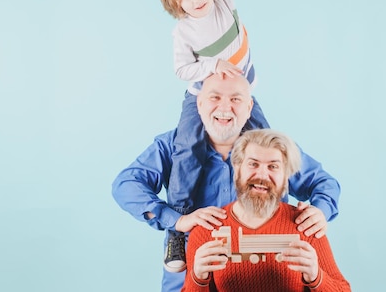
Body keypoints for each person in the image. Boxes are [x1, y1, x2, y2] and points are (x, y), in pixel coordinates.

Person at [112, 73, 341, 292]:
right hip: (195, 261)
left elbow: (324, 183)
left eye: (235, 99)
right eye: (215, 97)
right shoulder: (173, 146)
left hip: (266, 259)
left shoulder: (269, 152)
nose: (224, 107)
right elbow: (126, 185)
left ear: (249, 107)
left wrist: (319, 213)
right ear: (199, 104)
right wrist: (178, 220)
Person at [152, 0, 269, 272]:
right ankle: (179, 228)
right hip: (201, 96)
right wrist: (211, 64)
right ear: (176, 3)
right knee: (187, 147)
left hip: (239, 94)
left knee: (265, 141)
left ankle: (271, 212)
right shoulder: (182, 31)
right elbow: (182, 70)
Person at [181, 129, 350, 292]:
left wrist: (317, 277)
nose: (262, 175)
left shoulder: (307, 226)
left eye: (273, 166)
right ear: (237, 169)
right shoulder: (206, 230)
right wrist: (198, 278)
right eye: (253, 164)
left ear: (286, 177)